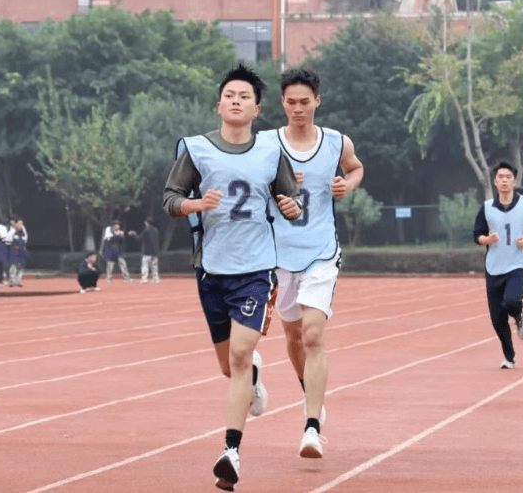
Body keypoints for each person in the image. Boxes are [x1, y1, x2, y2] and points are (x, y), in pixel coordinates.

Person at [162, 64, 303, 491]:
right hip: (211, 270)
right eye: (230, 95)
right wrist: (195, 205)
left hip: (256, 270)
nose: (237, 100)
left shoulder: (270, 151)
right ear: (219, 105)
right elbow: (169, 198)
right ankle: (254, 380)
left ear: (257, 109)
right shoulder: (197, 149)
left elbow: (289, 198)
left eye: (245, 95)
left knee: (240, 356)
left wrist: (293, 208)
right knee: (230, 367)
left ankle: (231, 452)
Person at [264, 68, 364, 459]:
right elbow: (250, 189)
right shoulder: (267, 145)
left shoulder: (337, 143)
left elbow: (355, 168)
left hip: (321, 252)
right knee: (292, 339)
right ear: (282, 103)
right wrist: (278, 190)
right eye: (291, 102)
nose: (298, 108)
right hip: (278, 257)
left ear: (317, 102)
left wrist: (347, 185)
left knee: (312, 335)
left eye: (305, 102)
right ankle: (313, 396)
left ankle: (311, 427)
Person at [473, 162, 523, 369]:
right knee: (497, 319)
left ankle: (520, 315)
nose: (504, 180)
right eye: (500, 177)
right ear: (495, 182)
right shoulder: (487, 207)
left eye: (508, 177)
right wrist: (486, 240)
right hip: (493, 267)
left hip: (515, 265)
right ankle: (509, 356)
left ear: (514, 181)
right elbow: (476, 235)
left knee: (512, 301)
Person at [134, 217, 160, 284]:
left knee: (145, 265)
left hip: (147, 251)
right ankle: (155, 278)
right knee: (154, 266)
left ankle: (144, 278)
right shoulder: (156, 230)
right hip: (155, 251)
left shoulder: (146, 231)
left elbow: (139, 238)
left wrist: (134, 234)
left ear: (147, 223)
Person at [8, 218, 27, 287]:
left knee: (20, 267)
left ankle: (18, 281)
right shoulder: (12, 231)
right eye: (18, 223)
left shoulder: (23, 232)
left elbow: (25, 240)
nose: (20, 225)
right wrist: (12, 227)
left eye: (21, 224)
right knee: (13, 266)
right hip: (14, 251)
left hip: (21, 251)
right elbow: (9, 239)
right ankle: (12, 281)